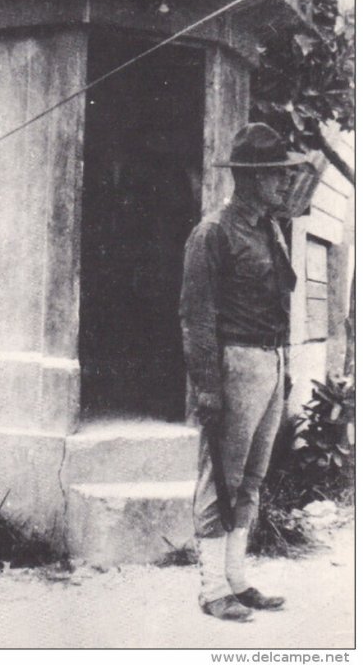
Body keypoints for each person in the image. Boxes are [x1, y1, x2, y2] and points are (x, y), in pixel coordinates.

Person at [179, 123, 306, 622]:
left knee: (251, 478)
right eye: (274, 174)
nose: (282, 182)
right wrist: (207, 388)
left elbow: (279, 301)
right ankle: (212, 589)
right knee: (221, 479)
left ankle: (236, 579)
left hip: (268, 362)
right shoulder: (213, 232)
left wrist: (284, 365)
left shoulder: (269, 228)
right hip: (233, 362)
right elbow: (196, 317)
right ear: (250, 178)